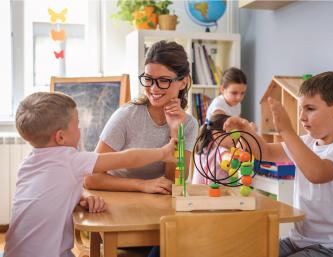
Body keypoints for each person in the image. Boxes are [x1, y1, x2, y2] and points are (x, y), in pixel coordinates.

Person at [4, 92, 177, 257]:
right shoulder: (71, 160)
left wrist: (82, 194)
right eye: (77, 125)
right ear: (61, 137)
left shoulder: (27, 164)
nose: (80, 130)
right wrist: (163, 153)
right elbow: (127, 158)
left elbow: (49, 191)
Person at [224, 72, 333, 257]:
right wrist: (247, 132)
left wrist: (287, 131)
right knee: (248, 251)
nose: (302, 117)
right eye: (301, 109)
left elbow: (316, 173)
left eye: (310, 108)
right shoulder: (307, 142)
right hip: (298, 241)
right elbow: (266, 152)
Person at [83, 40, 198, 194]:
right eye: (148, 79)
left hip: (153, 202)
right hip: (116, 198)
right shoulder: (127, 116)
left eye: (163, 80)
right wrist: (142, 185)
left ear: (183, 83)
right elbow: (91, 178)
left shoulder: (188, 124)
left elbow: (175, 182)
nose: (153, 88)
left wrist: (176, 133)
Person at [192, 113, 232, 185]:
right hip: (217, 194)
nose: (236, 137)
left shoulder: (202, 150)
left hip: (197, 193)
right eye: (231, 133)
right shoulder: (220, 150)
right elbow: (228, 158)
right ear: (217, 135)